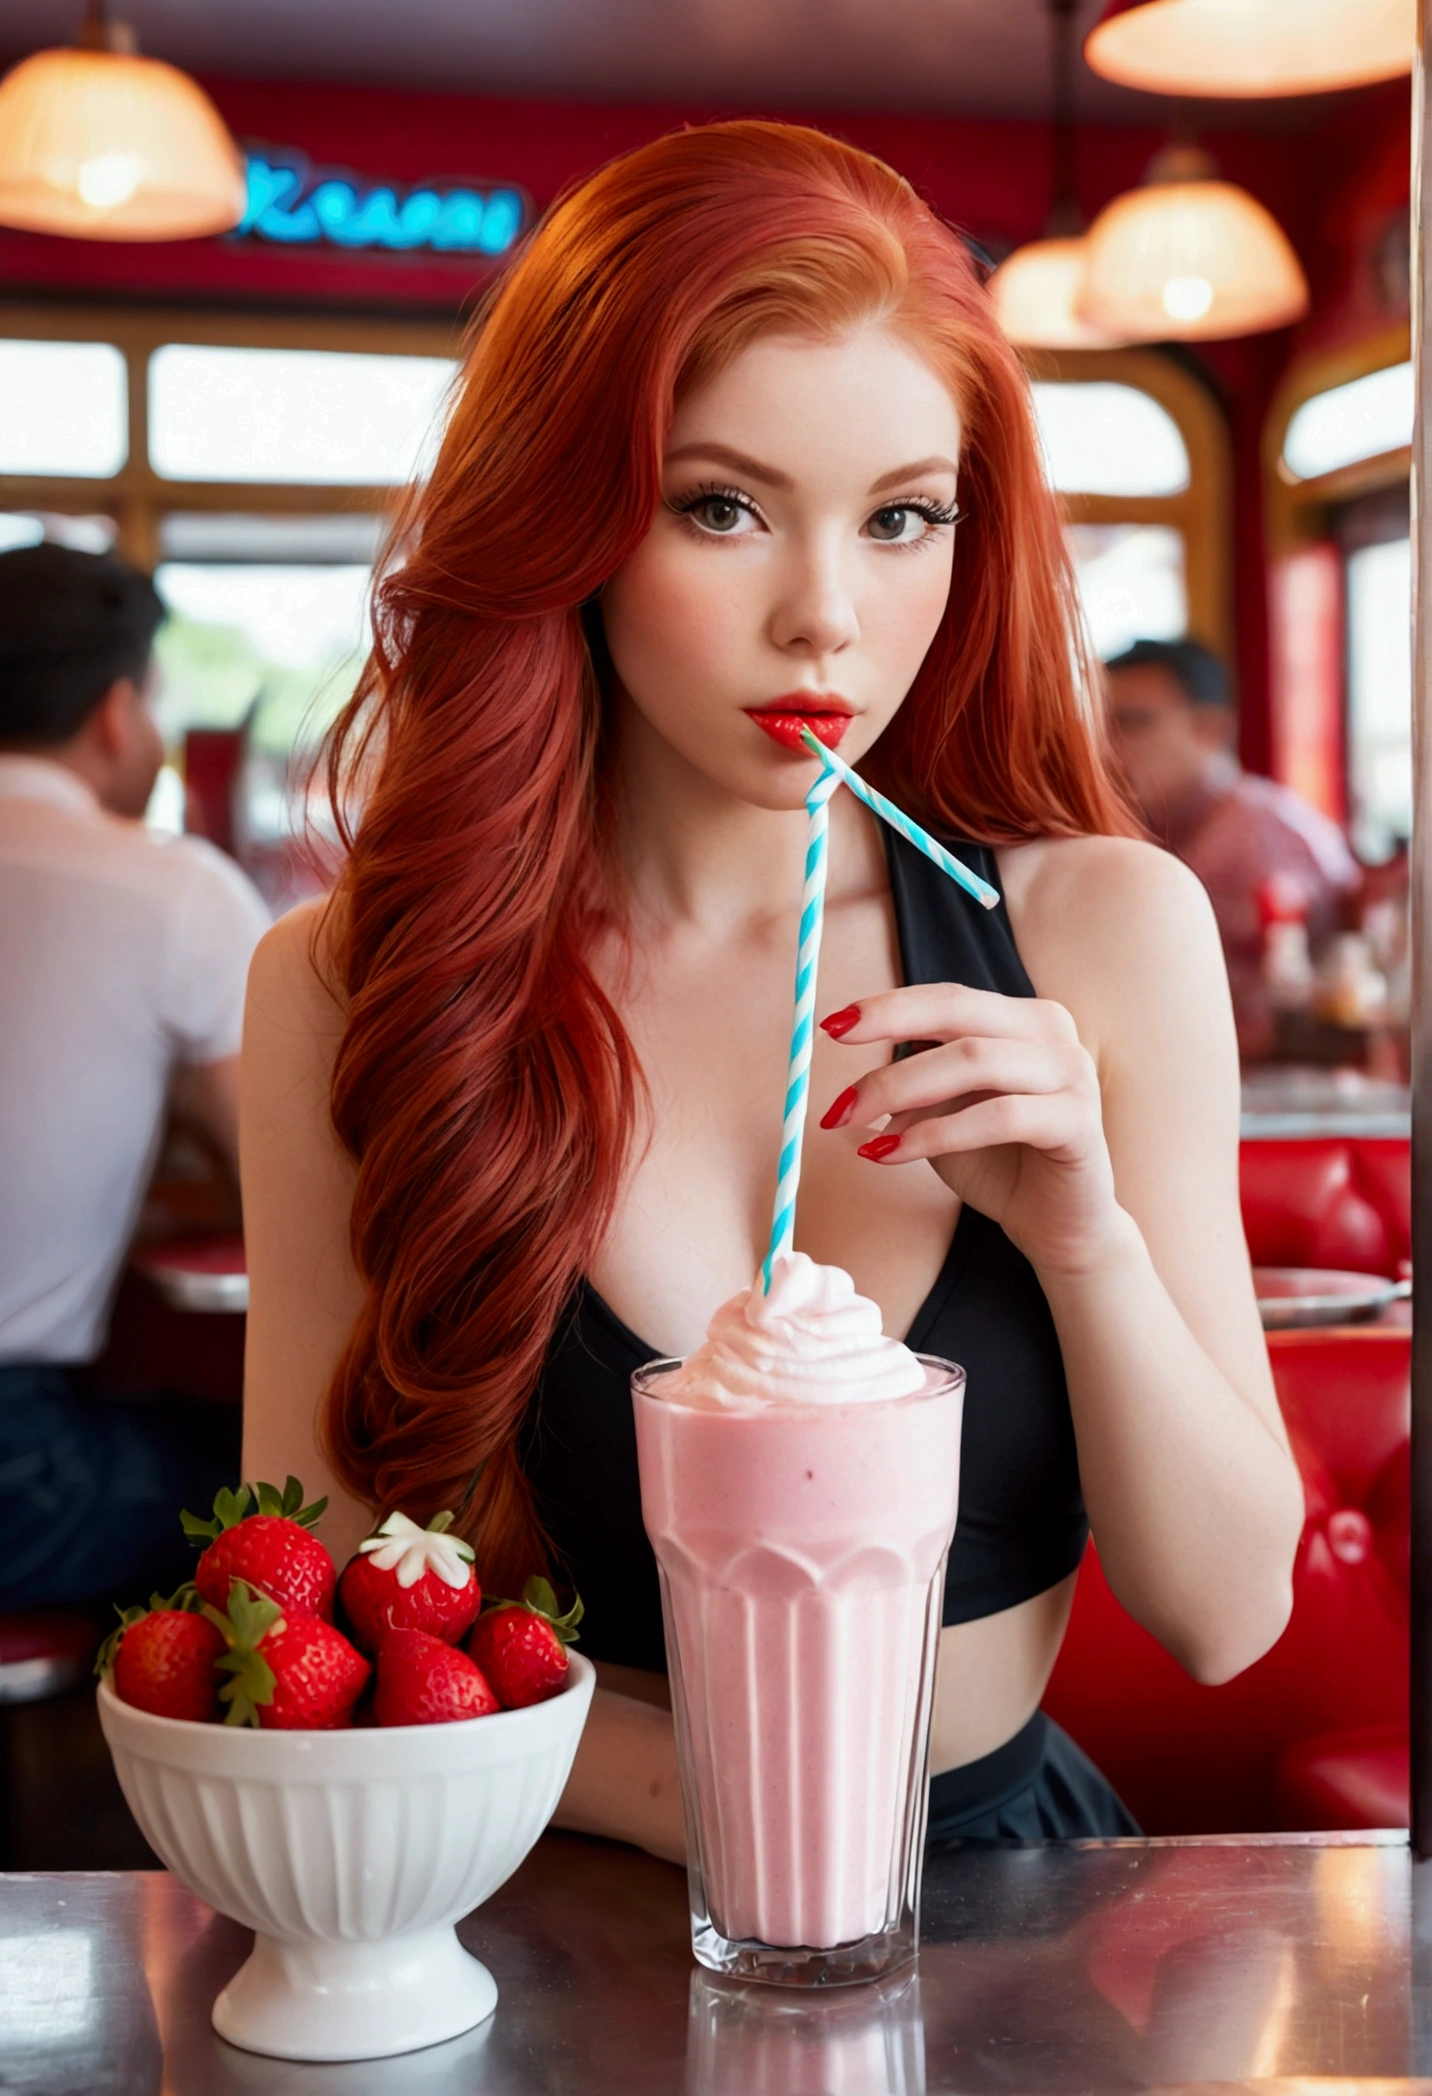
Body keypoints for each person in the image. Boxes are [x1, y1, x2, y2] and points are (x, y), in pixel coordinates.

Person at [242, 123, 1303, 1852]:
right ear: (570, 517)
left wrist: (1084, 1238)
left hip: (1007, 1922)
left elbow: (1224, 1612)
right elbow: (327, 1597)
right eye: (721, 506)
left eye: (902, 518)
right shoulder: (350, 985)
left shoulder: (1107, 929)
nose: (826, 618)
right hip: (553, 1905)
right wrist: (737, 1818)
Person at [0, 543, 269, 1609]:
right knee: (281, 1490)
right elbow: (281, 1177)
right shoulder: (170, 892)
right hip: (18, 1469)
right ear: (118, 714)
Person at [1105, 638, 1360, 1051]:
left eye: (1133, 723)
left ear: (1211, 729)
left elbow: (1287, 1007)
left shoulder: (1264, 834)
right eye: (1099, 726)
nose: (1107, 747)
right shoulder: (1146, 828)